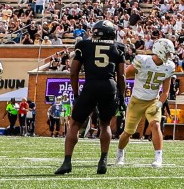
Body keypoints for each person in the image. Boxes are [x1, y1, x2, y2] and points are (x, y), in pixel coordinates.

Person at [53, 23, 130, 177]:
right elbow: (121, 75)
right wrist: (121, 96)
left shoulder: (84, 44)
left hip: (91, 85)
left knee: (75, 123)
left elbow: (73, 72)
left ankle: (67, 162)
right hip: (109, 86)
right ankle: (103, 160)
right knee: (105, 123)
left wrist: (75, 94)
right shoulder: (119, 47)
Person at [115, 38, 177, 168]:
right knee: (128, 132)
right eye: (168, 53)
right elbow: (124, 75)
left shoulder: (169, 66)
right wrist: (121, 90)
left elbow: (165, 91)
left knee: (155, 125)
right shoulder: (142, 60)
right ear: (160, 50)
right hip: (136, 100)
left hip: (153, 101)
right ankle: (120, 153)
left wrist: (160, 104)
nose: (169, 56)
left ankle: (158, 158)